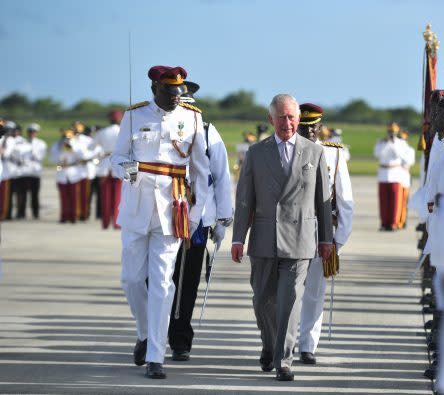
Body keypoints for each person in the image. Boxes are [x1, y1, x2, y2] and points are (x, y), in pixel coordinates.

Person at [111, 65, 209, 379]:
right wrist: (128, 172)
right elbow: (116, 156)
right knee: (131, 279)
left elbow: (202, 170)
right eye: (169, 93)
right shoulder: (134, 116)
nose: (174, 99)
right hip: (137, 204)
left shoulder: (192, 117)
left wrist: (197, 213)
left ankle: (156, 354)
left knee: (163, 283)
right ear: (155, 88)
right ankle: (144, 333)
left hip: (173, 206)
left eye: (178, 93)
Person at [231, 93, 333, 382]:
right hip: (264, 238)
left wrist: (326, 239)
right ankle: (269, 345)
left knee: (289, 300)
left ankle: (284, 360)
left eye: (291, 117)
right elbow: (244, 200)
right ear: (270, 119)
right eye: (281, 117)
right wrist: (238, 237)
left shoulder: (314, 152)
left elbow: (322, 199)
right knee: (262, 300)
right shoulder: (256, 152)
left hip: (300, 238)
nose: (287, 123)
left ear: (298, 119)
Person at [168, 81, 234, 361]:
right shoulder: (163, 129)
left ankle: (180, 339)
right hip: (163, 215)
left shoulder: (207, 130)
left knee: (187, 281)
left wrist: (222, 218)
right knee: (158, 280)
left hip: (198, 218)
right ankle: (153, 334)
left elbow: (221, 176)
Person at [296, 102, 353, 365]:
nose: (309, 131)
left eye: (314, 126)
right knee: (287, 289)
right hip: (292, 227)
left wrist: (338, 239)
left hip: (322, 229)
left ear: (322, 127)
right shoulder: (286, 149)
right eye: (304, 126)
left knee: (315, 291)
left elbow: (345, 201)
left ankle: (308, 345)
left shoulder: (335, 154)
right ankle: (285, 341)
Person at [373, 122, 415, 231]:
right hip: (383, 173)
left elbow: (403, 157)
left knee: (395, 201)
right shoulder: (381, 142)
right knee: (383, 201)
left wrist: (394, 144)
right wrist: (387, 143)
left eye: (393, 132)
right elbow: (377, 154)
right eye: (390, 132)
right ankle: (384, 223)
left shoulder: (401, 143)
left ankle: (394, 223)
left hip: (395, 173)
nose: (391, 134)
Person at [49, 128, 91, 223]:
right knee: (63, 197)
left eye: (68, 137)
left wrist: (72, 149)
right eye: (65, 136)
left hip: (74, 172)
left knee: (74, 196)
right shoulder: (57, 145)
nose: (66, 139)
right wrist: (60, 152)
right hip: (62, 172)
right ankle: (64, 216)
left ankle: (74, 216)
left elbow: (84, 156)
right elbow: (52, 159)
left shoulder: (77, 145)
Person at [93, 110, 123, 229]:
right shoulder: (124, 130)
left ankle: (105, 222)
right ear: (120, 119)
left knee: (105, 196)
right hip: (119, 163)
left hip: (105, 164)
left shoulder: (102, 132)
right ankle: (116, 222)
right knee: (119, 197)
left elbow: (92, 146)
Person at [12, 123, 46, 219]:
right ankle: (21, 213)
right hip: (23, 172)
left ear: (37, 133)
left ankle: (35, 214)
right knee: (21, 194)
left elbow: (40, 157)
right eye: (30, 131)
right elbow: (16, 155)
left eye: (33, 132)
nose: (31, 133)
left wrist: (33, 150)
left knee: (34, 195)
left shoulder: (41, 143)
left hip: (35, 172)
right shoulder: (22, 142)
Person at [72, 121, 100, 221]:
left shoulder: (88, 140)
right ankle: (75, 213)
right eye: (74, 127)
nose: (76, 129)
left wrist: (86, 158)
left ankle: (85, 213)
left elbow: (97, 150)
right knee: (75, 193)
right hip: (74, 169)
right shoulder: (70, 140)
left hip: (86, 168)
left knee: (86, 194)